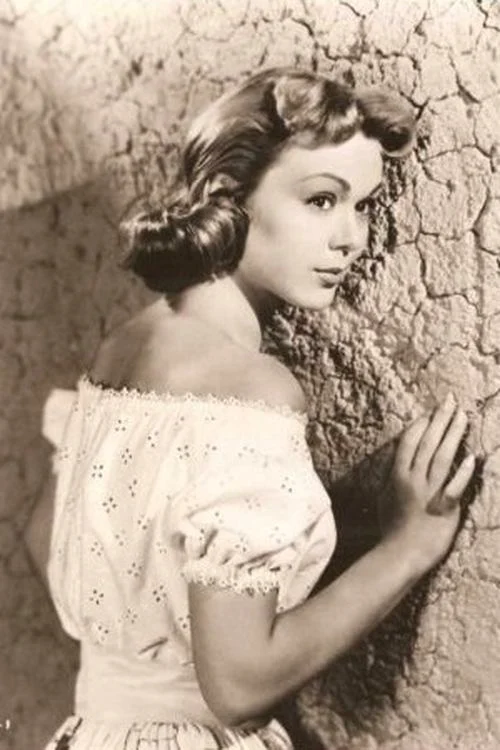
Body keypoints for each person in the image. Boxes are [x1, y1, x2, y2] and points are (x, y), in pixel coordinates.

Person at [25, 67, 476, 750]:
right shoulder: (251, 390)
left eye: (362, 205)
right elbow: (237, 688)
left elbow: (43, 536)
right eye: (321, 200)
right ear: (229, 196)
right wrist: (405, 548)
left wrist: (142, 667)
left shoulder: (124, 346)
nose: (352, 237)